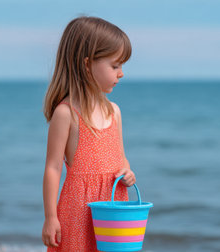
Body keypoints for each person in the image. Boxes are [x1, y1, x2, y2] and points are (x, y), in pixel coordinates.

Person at [41, 16, 136, 251]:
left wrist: (128, 172)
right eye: (115, 66)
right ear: (87, 64)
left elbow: (120, 157)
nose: (121, 73)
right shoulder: (67, 114)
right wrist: (51, 217)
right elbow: (53, 168)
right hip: (79, 210)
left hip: (114, 207)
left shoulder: (114, 111)